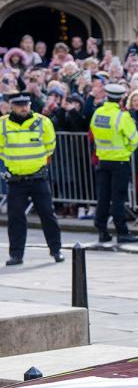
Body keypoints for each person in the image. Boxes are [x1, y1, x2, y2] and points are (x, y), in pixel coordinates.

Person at [0, 93, 62, 266]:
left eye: (26, 104)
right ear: (12, 106)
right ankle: (16, 255)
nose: (23, 108)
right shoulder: (3, 124)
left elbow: (50, 146)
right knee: (15, 218)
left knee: (48, 215)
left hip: (38, 177)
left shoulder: (43, 121)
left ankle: (56, 250)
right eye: (19, 105)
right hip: (16, 179)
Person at [89, 83, 138, 243]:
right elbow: (134, 139)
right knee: (118, 198)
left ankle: (102, 231)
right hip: (119, 161)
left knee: (103, 197)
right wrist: (126, 150)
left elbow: (93, 131)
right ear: (121, 99)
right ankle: (122, 232)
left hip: (102, 160)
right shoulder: (122, 116)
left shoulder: (98, 112)